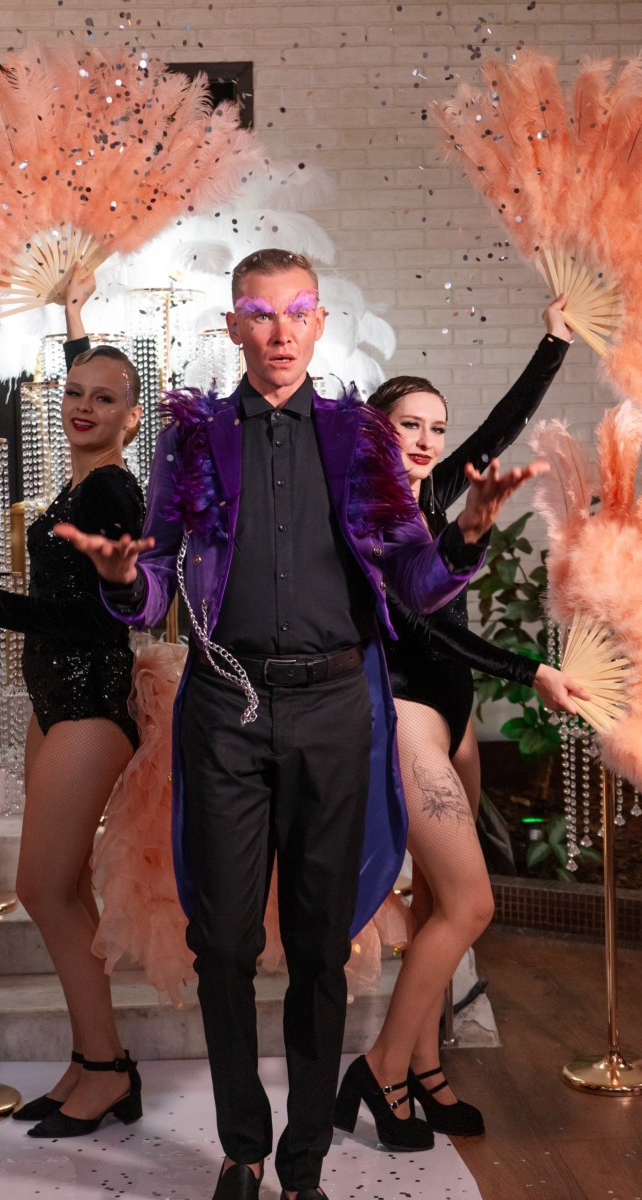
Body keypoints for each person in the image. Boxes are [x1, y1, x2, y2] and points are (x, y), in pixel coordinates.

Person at [56, 248, 548, 1200]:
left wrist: (467, 537)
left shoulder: (360, 440)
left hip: (333, 708)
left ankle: (304, 1167)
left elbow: (414, 583)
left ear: (320, 324)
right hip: (226, 707)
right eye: (260, 313)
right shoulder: (191, 439)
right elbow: (156, 583)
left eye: (298, 312)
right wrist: (123, 578)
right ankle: (242, 1150)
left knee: (322, 947)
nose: (280, 332)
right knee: (223, 943)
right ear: (234, 326)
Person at [333, 299, 588, 1151]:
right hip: (406, 718)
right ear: (375, 431)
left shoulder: (435, 495)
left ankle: (424, 1067)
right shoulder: (366, 519)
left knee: (445, 902)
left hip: (456, 720)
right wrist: (531, 670)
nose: (426, 440)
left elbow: (500, 428)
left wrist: (553, 338)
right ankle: (380, 1070)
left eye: (436, 428)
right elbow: (428, 626)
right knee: (473, 905)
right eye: (409, 424)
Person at [0, 277, 145, 1140]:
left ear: (132, 418)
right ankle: (95, 1061)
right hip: (55, 700)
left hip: (91, 699)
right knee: (66, 891)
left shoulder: (111, 493)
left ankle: (108, 1069)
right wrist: (73, 320)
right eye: (74, 393)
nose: (83, 405)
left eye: (104, 399)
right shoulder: (83, 483)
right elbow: (90, 374)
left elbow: (109, 616)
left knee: (42, 891)